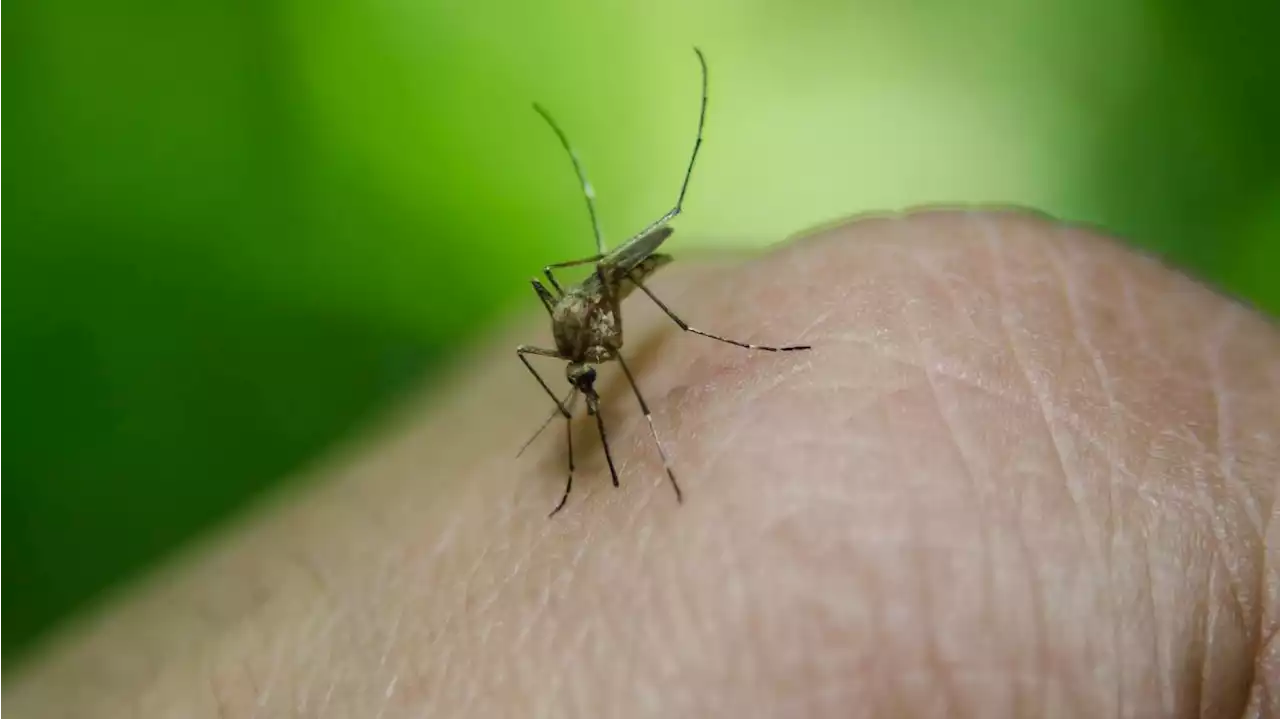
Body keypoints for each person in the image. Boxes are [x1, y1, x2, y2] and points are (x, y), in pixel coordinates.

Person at [1, 209, 1275, 717]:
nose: (577, 362)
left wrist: (622, 384)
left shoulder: (605, 319)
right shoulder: (563, 353)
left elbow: (596, 321)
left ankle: (695, 348)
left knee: (648, 326)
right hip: (589, 316)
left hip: (626, 291)